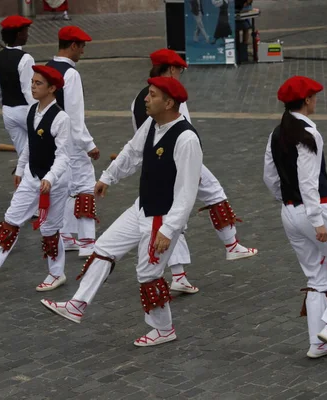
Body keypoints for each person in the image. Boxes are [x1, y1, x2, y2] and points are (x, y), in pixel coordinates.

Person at [41, 77, 203, 347]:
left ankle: (163, 330)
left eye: (152, 95)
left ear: (169, 102)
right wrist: (108, 177)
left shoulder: (186, 139)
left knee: (148, 274)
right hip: (141, 206)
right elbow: (132, 151)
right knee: (104, 247)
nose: (146, 100)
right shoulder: (153, 123)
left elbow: (187, 192)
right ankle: (77, 305)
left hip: (161, 217)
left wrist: (169, 229)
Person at [131, 48, 257, 294]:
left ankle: (179, 275)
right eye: (178, 70)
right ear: (169, 69)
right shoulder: (171, 98)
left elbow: (138, 137)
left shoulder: (138, 99)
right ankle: (231, 245)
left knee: (170, 215)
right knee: (211, 194)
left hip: (156, 164)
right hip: (180, 160)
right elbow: (182, 127)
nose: (180, 75)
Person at [263, 75, 327, 359]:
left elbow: (269, 178)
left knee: (317, 277)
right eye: (314, 97)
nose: (316, 100)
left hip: (289, 212)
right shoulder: (309, 135)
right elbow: (308, 182)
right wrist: (317, 220)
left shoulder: (276, 133)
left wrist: (288, 202)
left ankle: (318, 343)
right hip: (315, 211)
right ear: (307, 100)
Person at [0, 66, 72, 292]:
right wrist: (20, 169)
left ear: (52, 88)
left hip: (56, 181)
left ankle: (56, 273)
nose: (32, 86)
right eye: (32, 82)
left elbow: (63, 155)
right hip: (33, 175)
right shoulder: (32, 111)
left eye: (38, 83)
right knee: (12, 216)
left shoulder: (61, 118)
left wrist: (50, 178)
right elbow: (30, 145)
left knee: (50, 228)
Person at [46, 26, 100, 259]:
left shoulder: (47, 68)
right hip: (72, 140)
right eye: (82, 46)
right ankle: (87, 242)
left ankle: (67, 236)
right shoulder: (71, 74)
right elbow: (76, 117)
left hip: (52, 137)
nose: (83, 51)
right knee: (85, 186)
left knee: (67, 187)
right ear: (73, 46)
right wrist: (89, 145)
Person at [0, 15, 35, 163]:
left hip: (8, 111)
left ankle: (25, 182)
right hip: (26, 110)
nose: (27, 35)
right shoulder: (26, 59)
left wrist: (8, 102)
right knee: (42, 151)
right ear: (19, 34)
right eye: (25, 32)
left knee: (23, 155)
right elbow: (29, 91)